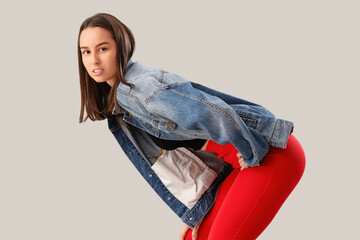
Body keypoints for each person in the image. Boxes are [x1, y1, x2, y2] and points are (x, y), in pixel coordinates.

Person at [77, 12, 306, 240]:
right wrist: (198, 212)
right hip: (237, 164)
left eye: (103, 48)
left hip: (266, 154)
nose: (94, 60)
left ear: (122, 46)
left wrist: (250, 151)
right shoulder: (121, 99)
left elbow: (211, 111)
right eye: (86, 51)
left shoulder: (137, 90)